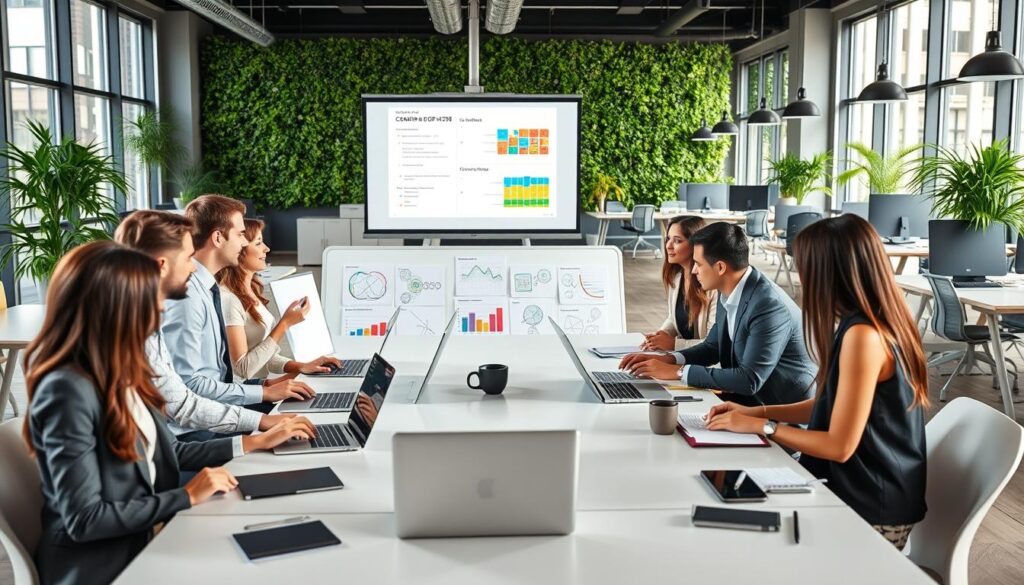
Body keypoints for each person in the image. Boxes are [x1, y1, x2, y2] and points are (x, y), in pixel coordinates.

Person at [24, 242, 316, 585]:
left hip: (147, 537)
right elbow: (84, 519)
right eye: (150, 300)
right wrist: (186, 496)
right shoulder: (67, 391)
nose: (161, 309)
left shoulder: (123, 369)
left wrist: (253, 442)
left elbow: (168, 452)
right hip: (104, 567)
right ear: (114, 306)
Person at [703, 214, 929, 549]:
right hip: (855, 489)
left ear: (829, 272)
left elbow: (840, 446)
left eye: (805, 267)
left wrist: (764, 428)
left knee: (740, 534)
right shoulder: (866, 323)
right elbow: (827, 404)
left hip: (870, 509)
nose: (801, 277)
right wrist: (756, 413)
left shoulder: (864, 337)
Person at [115, 210, 315, 445]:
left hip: (207, 411)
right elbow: (187, 398)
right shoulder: (185, 302)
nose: (193, 268)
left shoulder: (158, 318)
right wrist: (257, 428)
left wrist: (268, 388)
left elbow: (185, 397)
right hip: (191, 430)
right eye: (188, 258)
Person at [620, 222, 815, 407]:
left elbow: (749, 379)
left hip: (778, 409)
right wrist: (669, 359)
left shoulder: (768, 306)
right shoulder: (730, 288)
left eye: (698, 264)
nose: (693, 271)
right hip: (746, 402)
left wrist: (678, 372)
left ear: (721, 267)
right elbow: (712, 347)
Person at [161, 195, 315, 413]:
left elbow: (221, 376)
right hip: (211, 415)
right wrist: (263, 398)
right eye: (240, 234)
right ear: (218, 238)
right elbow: (191, 386)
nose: (243, 243)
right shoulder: (191, 296)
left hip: (226, 401)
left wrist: (270, 384)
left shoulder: (208, 289)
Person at [217, 218, 340, 380]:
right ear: (239, 250)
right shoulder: (229, 300)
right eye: (258, 243)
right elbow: (243, 369)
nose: (266, 248)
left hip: (261, 387)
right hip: (246, 392)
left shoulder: (251, 290)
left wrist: (303, 366)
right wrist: (285, 324)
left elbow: (265, 356)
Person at [640, 215, 717, 350]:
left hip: (703, 360)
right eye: (668, 239)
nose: (668, 246)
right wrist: (661, 334)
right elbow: (674, 318)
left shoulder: (714, 287)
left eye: (677, 241)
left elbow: (714, 344)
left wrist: (674, 344)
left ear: (695, 245)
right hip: (683, 356)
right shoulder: (677, 278)